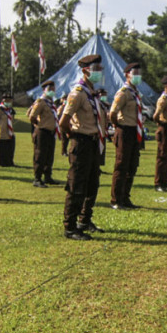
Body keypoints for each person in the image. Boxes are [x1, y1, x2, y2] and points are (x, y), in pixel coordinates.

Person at [61, 54, 107, 239]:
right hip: (81, 142)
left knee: (92, 184)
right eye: (96, 69)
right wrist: (73, 135)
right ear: (85, 71)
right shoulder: (78, 93)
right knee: (77, 185)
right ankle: (70, 227)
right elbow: (63, 121)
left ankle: (84, 220)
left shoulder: (92, 93)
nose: (99, 73)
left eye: (100, 69)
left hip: (94, 143)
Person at [109, 62, 146, 209]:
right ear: (127, 75)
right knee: (121, 165)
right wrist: (117, 125)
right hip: (124, 130)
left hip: (134, 131)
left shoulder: (136, 93)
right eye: (134, 73)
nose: (137, 76)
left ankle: (125, 197)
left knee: (132, 166)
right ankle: (116, 199)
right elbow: (112, 113)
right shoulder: (123, 92)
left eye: (139, 73)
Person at [27, 80, 60, 187]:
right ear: (44, 90)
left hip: (51, 132)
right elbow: (31, 115)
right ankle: (37, 178)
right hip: (42, 131)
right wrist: (38, 124)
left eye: (53, 89)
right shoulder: (41, 102)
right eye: (49, 89)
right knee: (40, 155)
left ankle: (47, 176)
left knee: (49, 155)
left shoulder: (51, 103)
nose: (52, 91)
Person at [0, 92, 16, 167]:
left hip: (10, 132)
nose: (8, 102)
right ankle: (0, 162)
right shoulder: (0, 110)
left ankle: (9, 162)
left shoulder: (11, 110)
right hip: (2, 132)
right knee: (1, 149)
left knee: (10, 148)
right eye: (6, 100)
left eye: (9, 100)